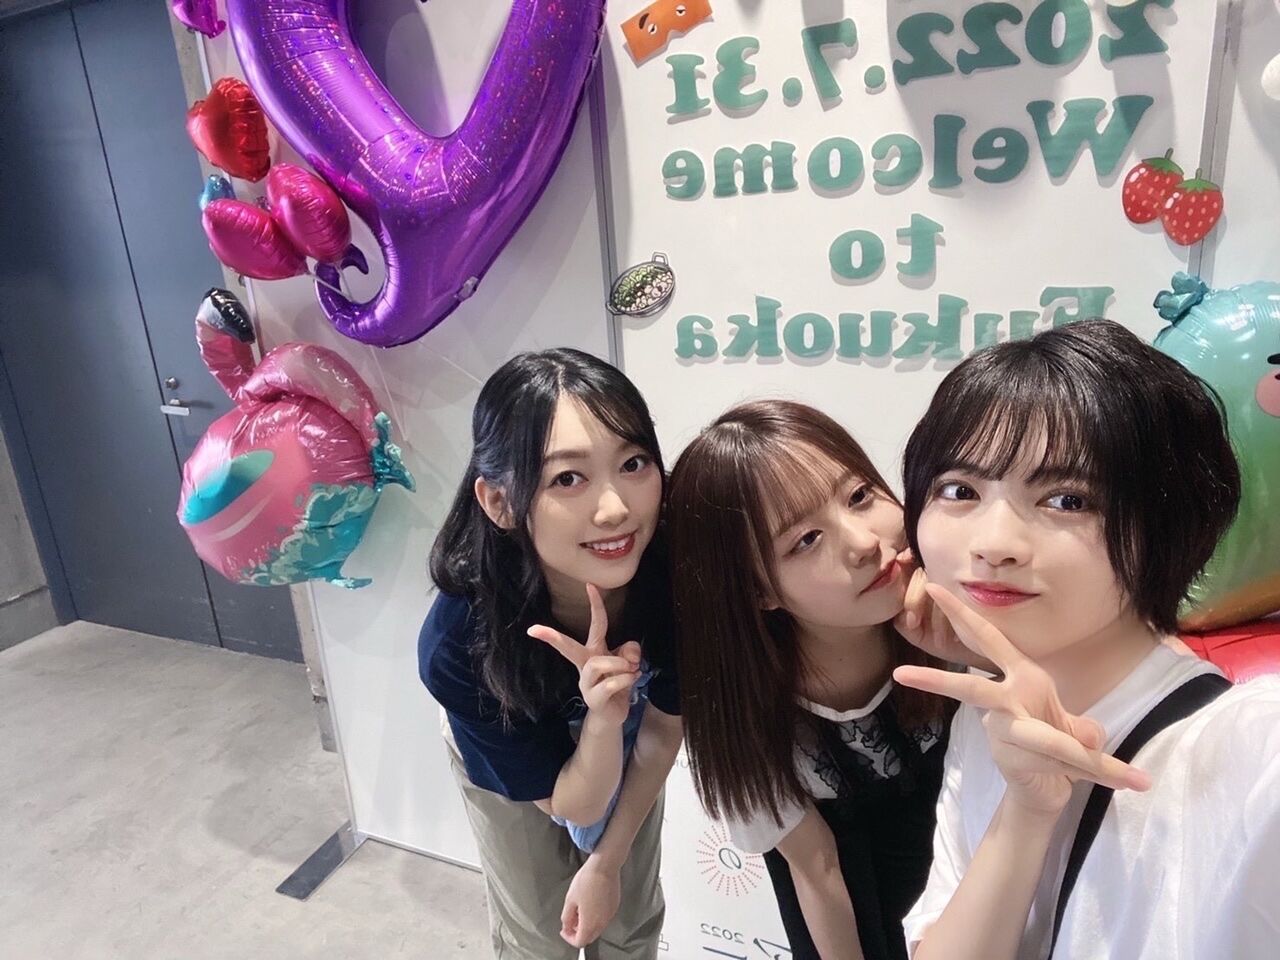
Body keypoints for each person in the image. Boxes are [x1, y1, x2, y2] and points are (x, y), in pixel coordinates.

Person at [896, 319, 1280, 959]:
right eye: (960, 490)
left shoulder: (1246, 752)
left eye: (1068, 500)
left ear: (1167, 527)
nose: (994, 544)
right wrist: (1026, 812)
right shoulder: (982, 719)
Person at [666, 399, 963, 960]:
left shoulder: (952, 607)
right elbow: (818, 871)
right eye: (805, 540)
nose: (863, 542)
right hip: (850, 926)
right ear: (759, 592)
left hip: (970, 893)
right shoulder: (745, 711)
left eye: (859, 496)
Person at [419, 348, 682, 959]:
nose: (616, 509)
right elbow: (573, 803)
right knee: (540, 933)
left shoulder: (676, 576)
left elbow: (663, 731)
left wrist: (607, 863)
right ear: (499, 503)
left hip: (632, 733)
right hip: (508, 733)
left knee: (629, 917)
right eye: (568, 478)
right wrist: (601, 721)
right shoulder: (461, 641)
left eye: (633, 463)